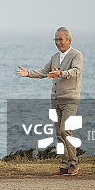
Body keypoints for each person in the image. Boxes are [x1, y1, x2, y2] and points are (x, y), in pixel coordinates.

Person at [14, 27, 83, 176]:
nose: (57, 42)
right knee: (59, 133)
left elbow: (76, 71)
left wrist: (60, 73)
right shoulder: (55, 57)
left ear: (69, 40)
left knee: (65, 130)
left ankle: (74, 163)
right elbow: (44, 72)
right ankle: (64, 165)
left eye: (60, 39)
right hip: (56, 99)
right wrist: (28, 73)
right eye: (55, 39)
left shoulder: (76, 55)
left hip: (70, 99)